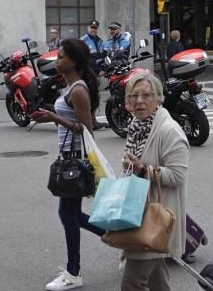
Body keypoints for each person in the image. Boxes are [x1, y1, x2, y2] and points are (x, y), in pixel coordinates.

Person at [33, 39, 104, 291]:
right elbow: (71, 122)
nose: (57, 60)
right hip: (69, 157)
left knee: (67, 214)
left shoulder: (78, 90)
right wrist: (51, 117)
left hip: (76, 160)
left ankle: (74, 272)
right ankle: (121, 239)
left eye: (61, 57)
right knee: (72, 214)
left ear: (73, 61)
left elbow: (87, 129)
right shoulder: (70, 87)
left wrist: (54, 116)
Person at [120, 72, 189, 291]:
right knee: (157, 279)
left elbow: (178, 176)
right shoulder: (136, 127)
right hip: (139, 213)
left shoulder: (169, 131)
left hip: (155, 220)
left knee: (132, 282)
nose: (140, 101)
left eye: (147, 95)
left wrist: (144, 169)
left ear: (158, 99)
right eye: (134, 95)